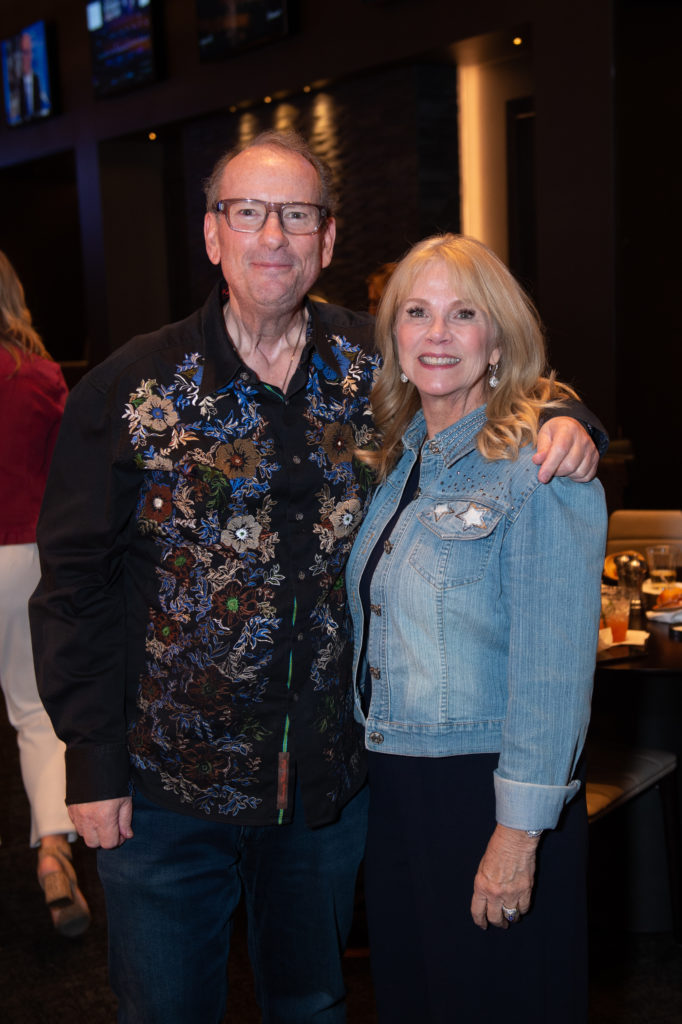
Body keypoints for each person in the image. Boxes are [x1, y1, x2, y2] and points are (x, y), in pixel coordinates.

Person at [29, 132, 604, 1023]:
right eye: (247, 212)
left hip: (328, 791)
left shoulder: (373, 364)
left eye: (296, 215)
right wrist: (91, 759)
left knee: (312, 1006)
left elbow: (486, 368)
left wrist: (575, 420)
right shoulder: (128, 388)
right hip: (167, 784)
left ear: (326, 241)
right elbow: (73, 584)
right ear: (212, 234)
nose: (272, 236)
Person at [346, 233, 608, 1024]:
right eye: (416, 313)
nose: (436, 334)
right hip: (398, 788)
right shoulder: (402, 460)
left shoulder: (540, 466)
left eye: (463, 314)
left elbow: (553, 671)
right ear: (392, 336)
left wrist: (516, 837)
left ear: (498, 337)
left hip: (489, 795)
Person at [0, 250, 90, 937]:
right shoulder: (38, 377)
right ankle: (55, 852)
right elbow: (71, 477)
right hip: (22, 555)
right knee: (35, 711)